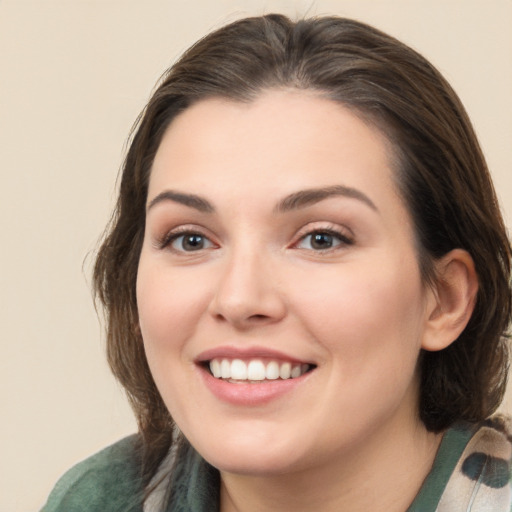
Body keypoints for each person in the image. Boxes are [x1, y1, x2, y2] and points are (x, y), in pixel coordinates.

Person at [42, 13, 512, 512]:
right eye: (190, 241)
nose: (240, 299)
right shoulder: (98, 500)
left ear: (444, 299)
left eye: (321, 239)